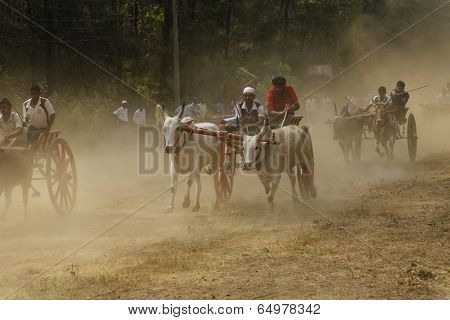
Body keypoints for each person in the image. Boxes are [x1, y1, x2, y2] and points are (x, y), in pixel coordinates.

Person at [23, 84, 56, 149]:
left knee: (34, 136)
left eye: (35, 94)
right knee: (25, 136)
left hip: (43, 129)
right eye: (32, 94)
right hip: (32, 128)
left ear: (39, 93)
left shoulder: (45, 102)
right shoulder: (26, 104)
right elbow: (26, 119)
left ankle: (32, 153)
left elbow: (53, 114)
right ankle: (26, 151)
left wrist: (49, 127)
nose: (33, 96)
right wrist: (24, 123)